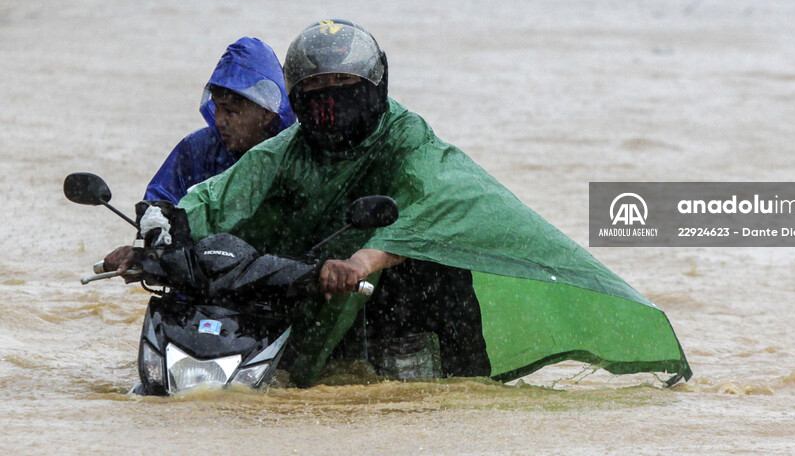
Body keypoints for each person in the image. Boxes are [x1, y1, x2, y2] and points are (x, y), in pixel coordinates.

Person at [105, 20, 690, 387]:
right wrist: (154, 234)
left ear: (375, 93)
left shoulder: (407, 138)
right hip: (304, 279)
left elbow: (433, 208)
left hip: (401, 289)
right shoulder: (287, 147)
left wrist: (364, 261)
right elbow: (215, 196)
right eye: (315, 100)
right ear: (295, 105)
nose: (328, 114)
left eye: (342, 98)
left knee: (395, 389)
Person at [145, 37, 296, 203]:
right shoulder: (197, 149)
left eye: (230, 111)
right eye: (216, 107)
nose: (219, 121)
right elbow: (158, 200)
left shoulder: (297, 153)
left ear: (266, 112)